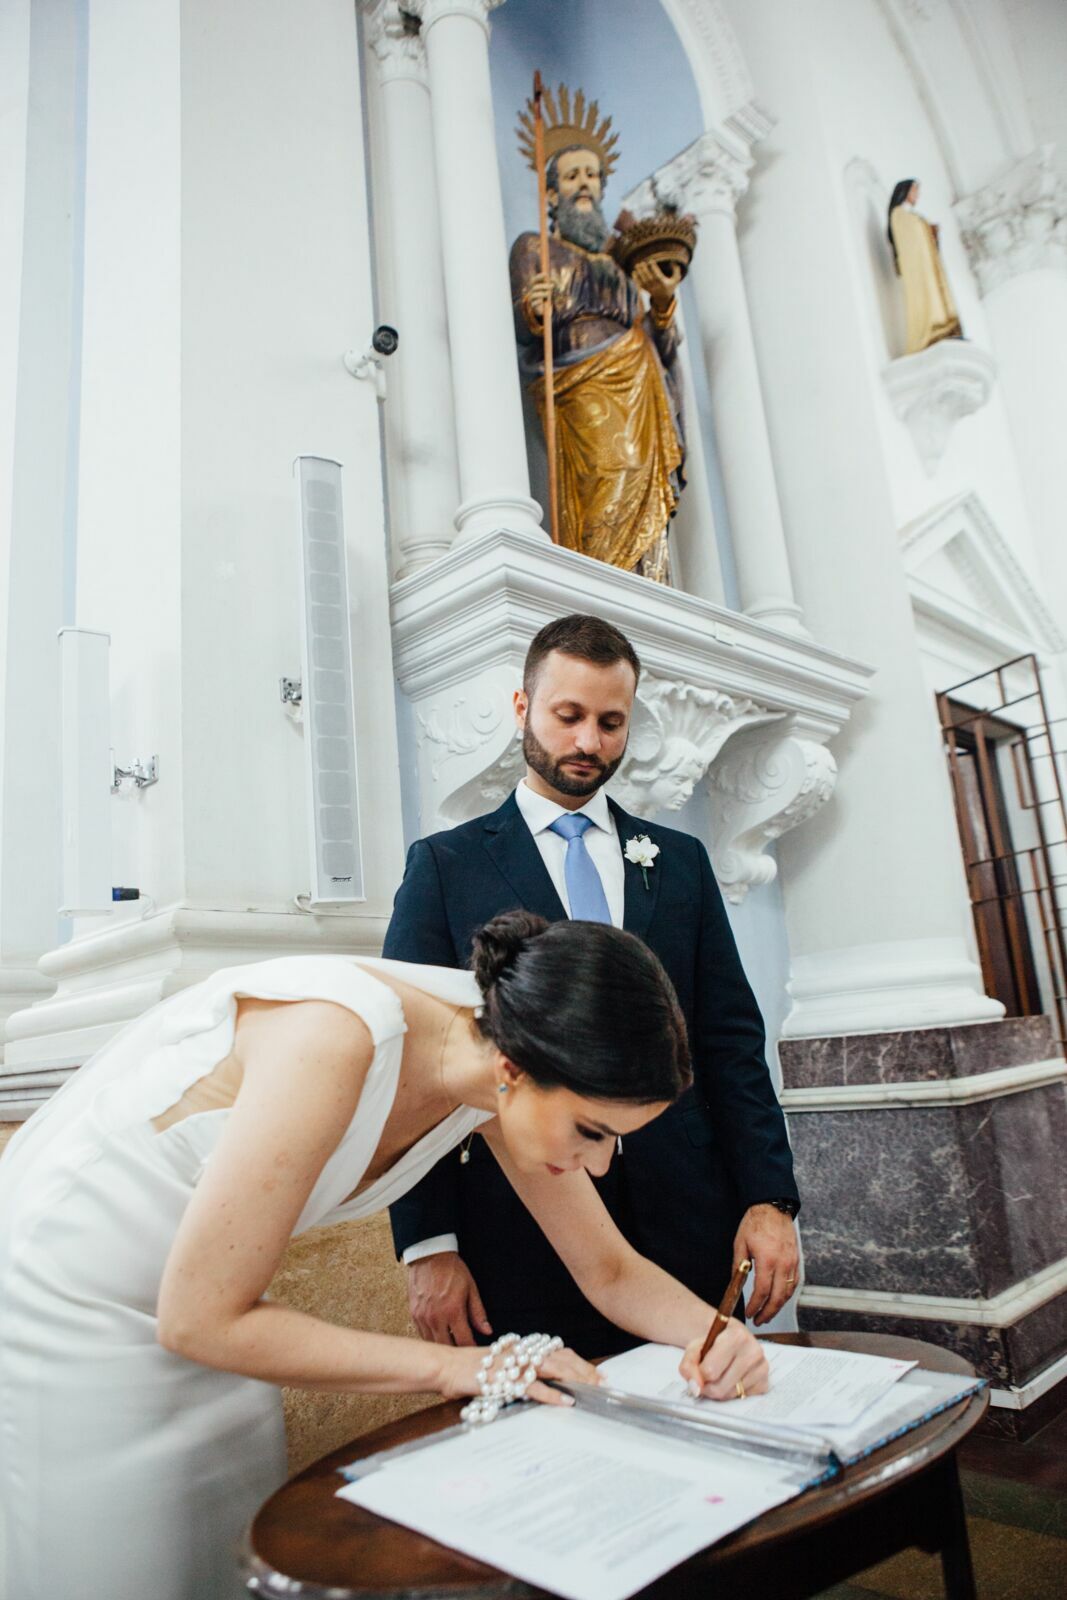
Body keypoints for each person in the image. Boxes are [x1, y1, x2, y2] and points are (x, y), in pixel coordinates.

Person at [0, 913, 769, 1600]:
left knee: (221, 1558)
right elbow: (199, 1320)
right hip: (70, 1297)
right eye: (591, 1132)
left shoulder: (501, 1066)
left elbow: (606, 1269)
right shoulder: (332, 1038)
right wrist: (464, 1367)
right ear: (512, 1071)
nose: (599, 1165)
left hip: (213, 1301)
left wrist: (715, 1332)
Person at [387, 614, 800, 1358]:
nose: (588, 743)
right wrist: (428, 1243)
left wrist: (768, 1200)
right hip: (515, 1223)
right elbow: (414, 1065)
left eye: (611, 723)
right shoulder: (445, 866)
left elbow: (730, 1041)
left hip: (686, 1215)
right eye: (567, 715)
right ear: (523, 709)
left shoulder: (678, 863)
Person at [511, 85, 685, 581]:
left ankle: (648, 582)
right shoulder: (535, 248)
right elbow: (529, 329)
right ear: (550, 193)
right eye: (572, 176)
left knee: (643, 480)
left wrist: (664, 304)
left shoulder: (622, 261)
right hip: (580, 384)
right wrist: (535, 308)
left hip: (642, 382)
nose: (584, 184)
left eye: (592, 175)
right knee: (612, 473)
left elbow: (664, 347)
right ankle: (606, 581)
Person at [887, 177, 962, 354]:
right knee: (926, 296)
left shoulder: (912, 216)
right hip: (918, 267)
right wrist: (925, 230)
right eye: (915, 191)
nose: (917, 195)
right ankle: (931, 330)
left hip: (928, 265)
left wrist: (931, 232)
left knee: (937, 292)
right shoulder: (899, 214)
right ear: (905, 192)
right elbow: (908, 241)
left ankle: (946, 328)